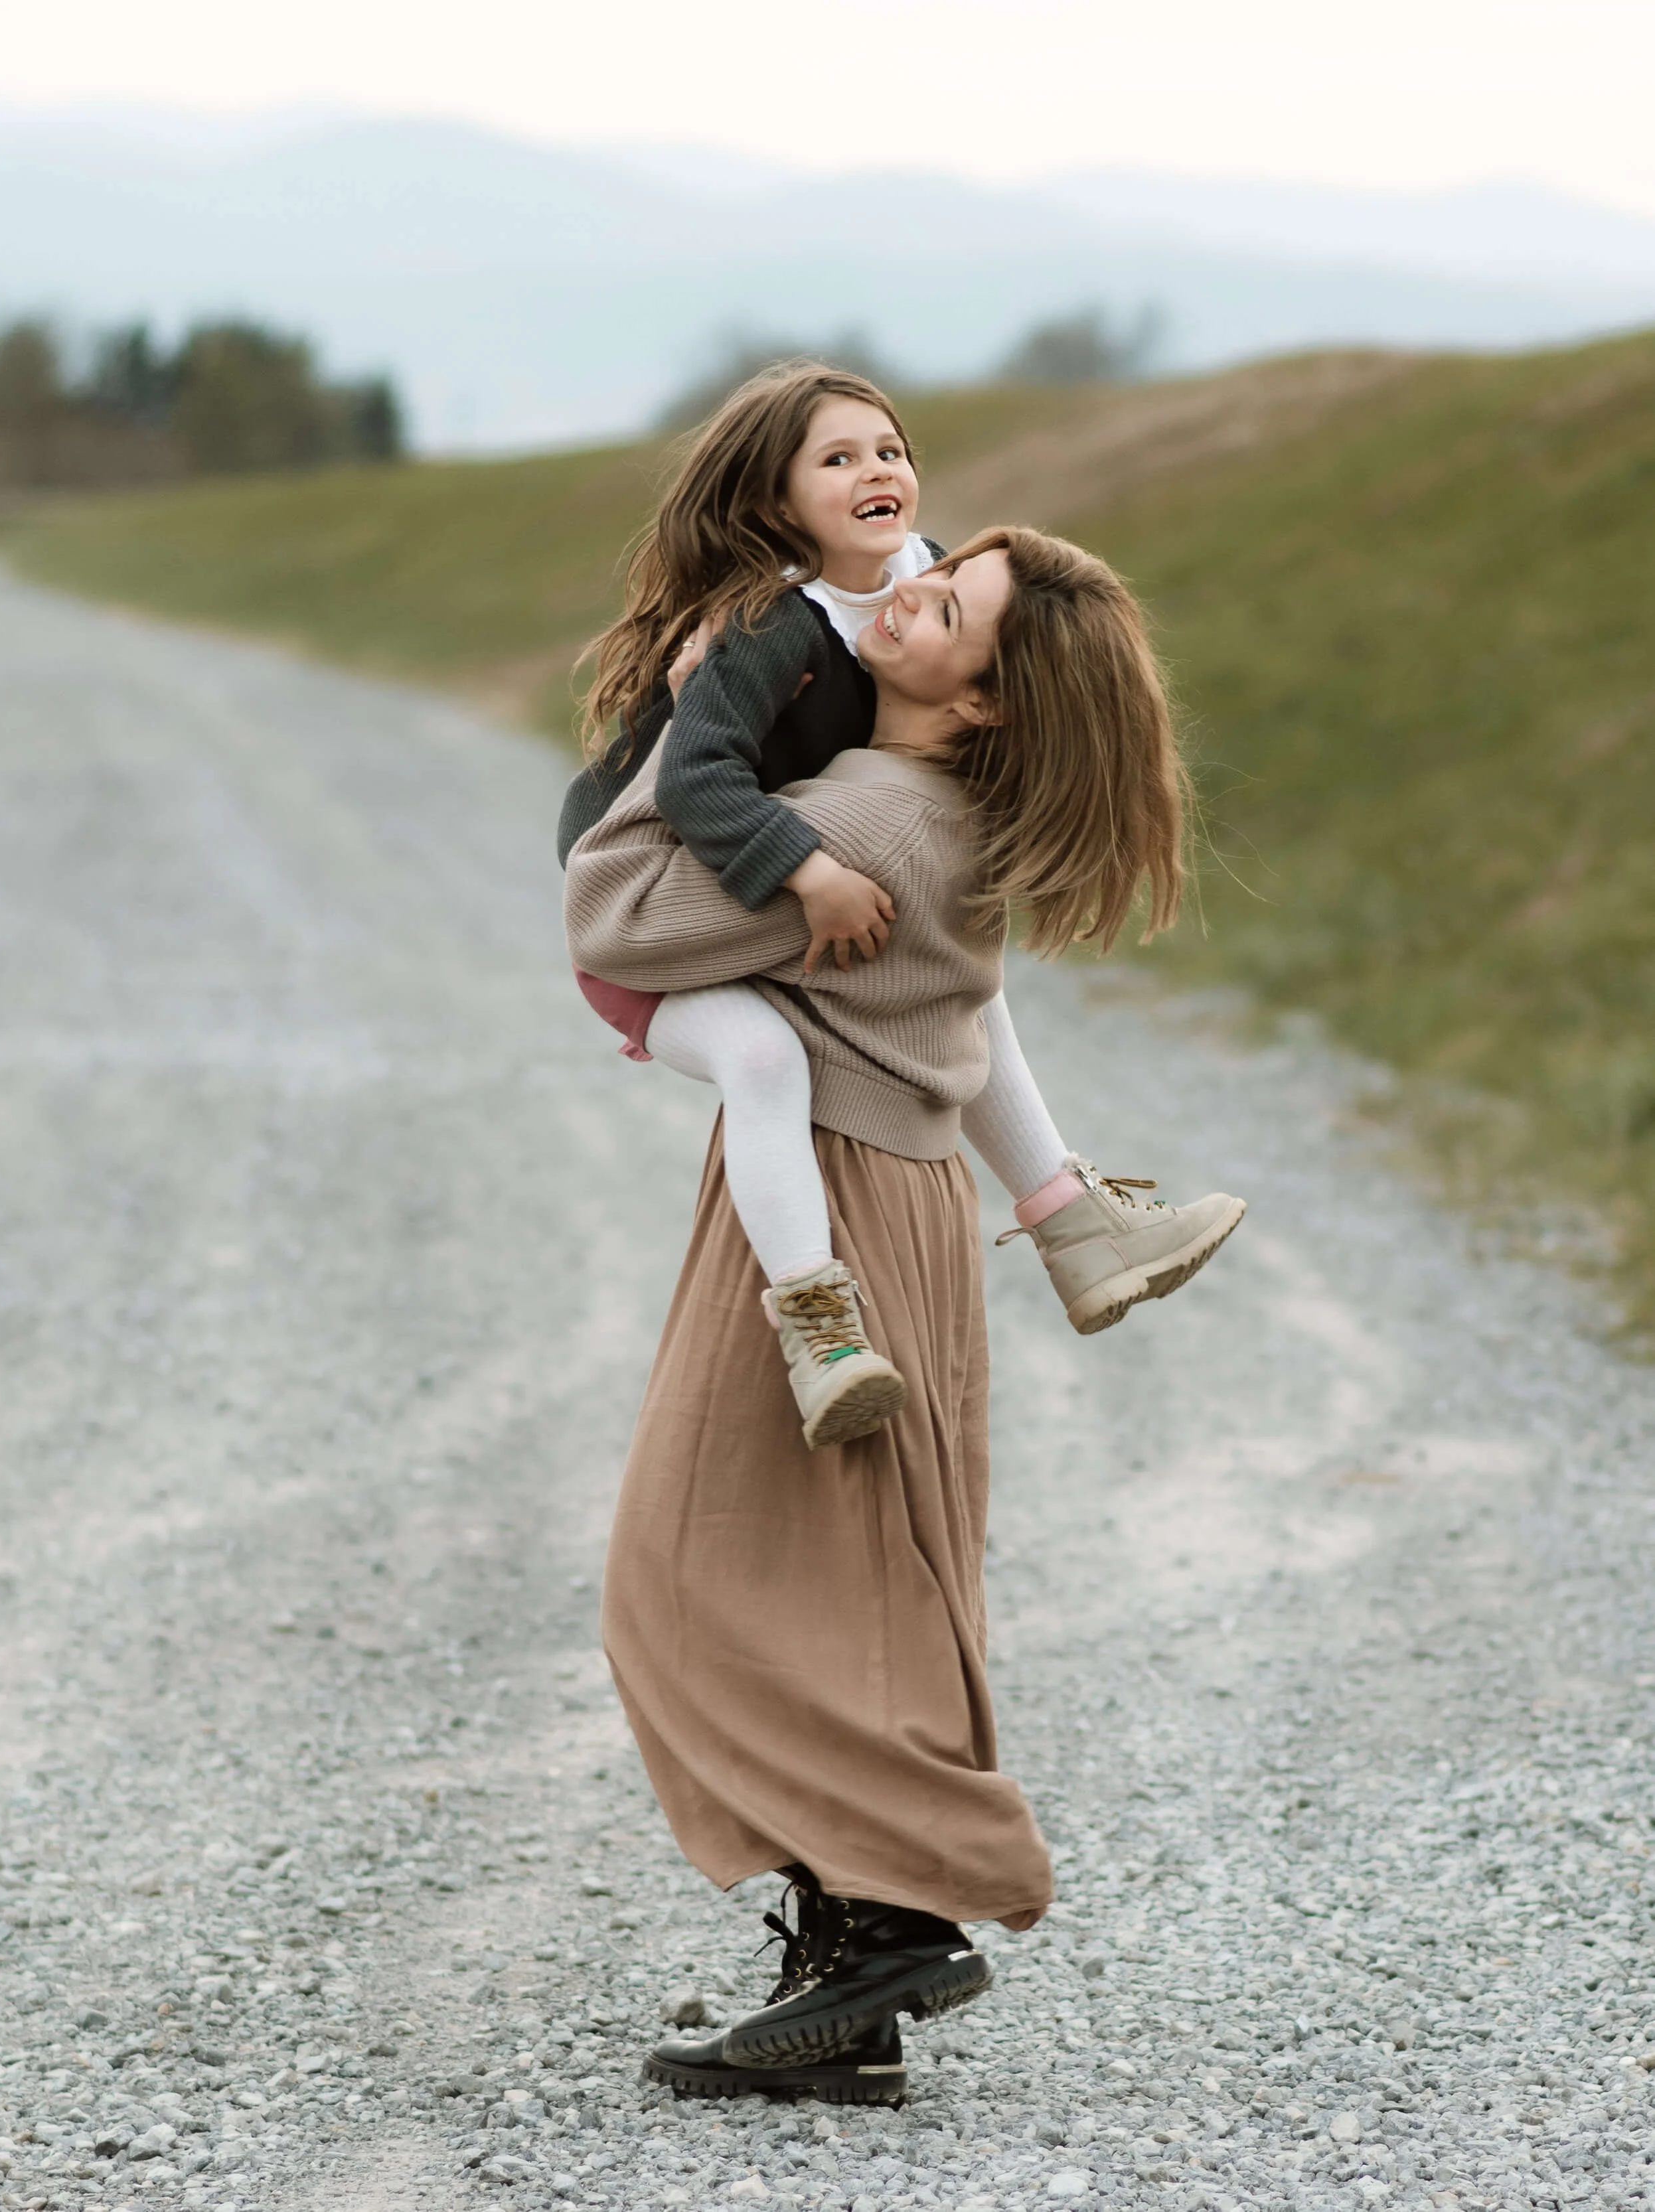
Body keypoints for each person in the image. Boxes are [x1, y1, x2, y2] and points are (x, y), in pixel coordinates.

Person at [564, 525, 1243, 2105]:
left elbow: (611, 912)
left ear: (985, 698)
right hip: (907, 1196)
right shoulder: (940, 804)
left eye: (945, 606)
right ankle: (849, 1965)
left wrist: (688, 724)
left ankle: (903, 1903)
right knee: (857, 1578)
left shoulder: (865, 818)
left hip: (840, 1206)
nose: (901, 594)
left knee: (688, 1573)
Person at [560, 363, 1243, 1451]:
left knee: (971, 987)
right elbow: (696, 785)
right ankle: (817, 1322)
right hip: (644, 912)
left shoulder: (926, 570)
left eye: (891, 451)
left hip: (765, 853)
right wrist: (809, 871)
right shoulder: (767, 629)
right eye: (837, 460)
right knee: (766, 1061)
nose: (877, 473)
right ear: (781, 507)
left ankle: (1071, 1217)